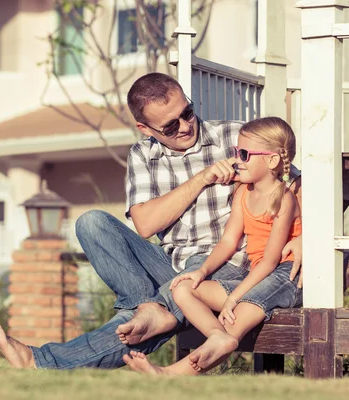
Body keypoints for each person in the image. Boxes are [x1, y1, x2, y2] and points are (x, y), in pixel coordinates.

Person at [0, 72, 303, 370]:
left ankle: (40, 360)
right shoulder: (142, 155)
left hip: (222, 263)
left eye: (187, 113)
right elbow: (145, 225)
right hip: (168, 260)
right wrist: (202, 178)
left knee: (159, 303)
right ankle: (146, 306)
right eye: (169, 126)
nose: (185, 126)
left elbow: (295, 180)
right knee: (91, 223)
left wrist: (303, 237)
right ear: (145, 129)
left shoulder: (235, 137)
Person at [123, 116, 302, 375]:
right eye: (235, 152)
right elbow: (228, 241)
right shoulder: (243, 192)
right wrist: (201, 272)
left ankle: (169, 374)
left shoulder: (284, 199)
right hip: (256, 275)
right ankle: (217, 335)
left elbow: (270, 261)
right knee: (183, 287)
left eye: (243, 154)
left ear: (272, 160)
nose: (236, 160)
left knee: (238, 316)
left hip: (286, 274)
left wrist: (234, 298)